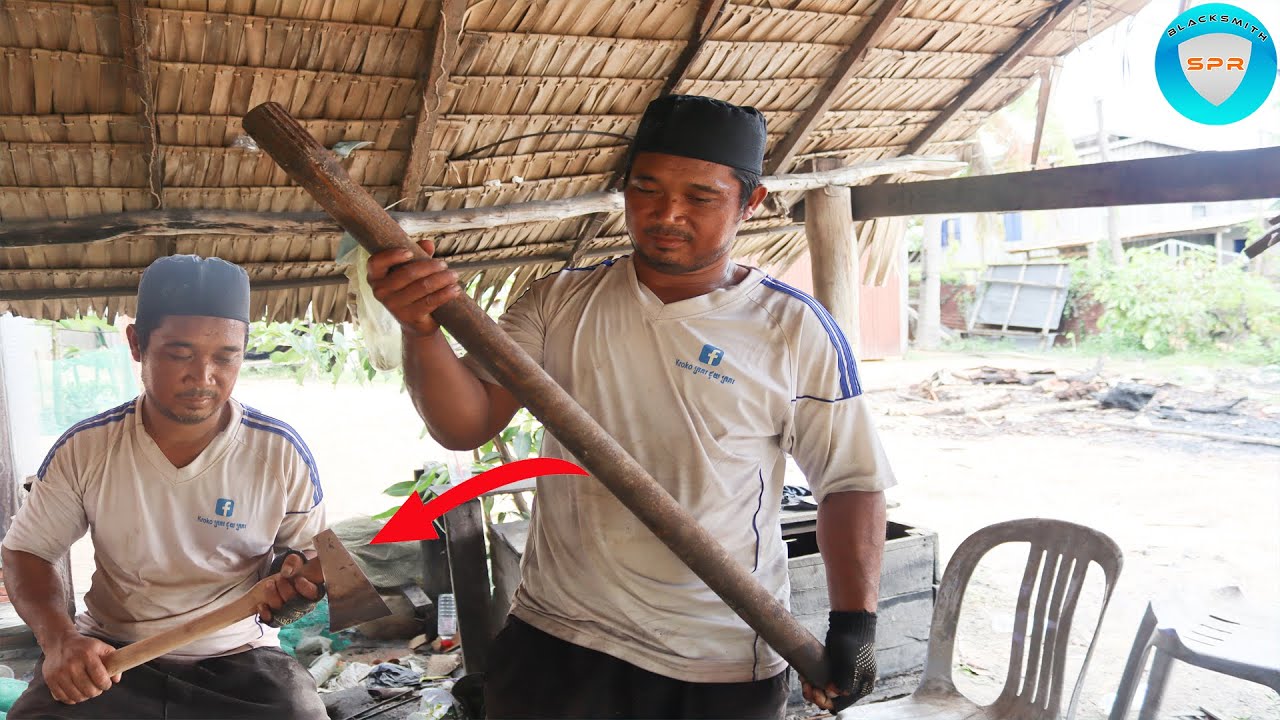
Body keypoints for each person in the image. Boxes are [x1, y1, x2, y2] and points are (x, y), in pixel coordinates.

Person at [368, 95, 896, 719]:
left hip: (715, 655)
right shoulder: (559, 302)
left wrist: (855, 625)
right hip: (558, 636)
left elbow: (852, 482)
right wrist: (422, 331)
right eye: (646, 189)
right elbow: (466, 425)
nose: (667, 212)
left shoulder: (793, 328)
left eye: (700, 197)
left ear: (749, 204)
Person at [2, 255, 328, 719]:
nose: (203, 376)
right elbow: (26, 552)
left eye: (225, 357)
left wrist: (296, 589)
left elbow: (312, 563)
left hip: (240, 658)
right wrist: (60, 640)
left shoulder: (280, 454)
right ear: (137, 344)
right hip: (113, 656)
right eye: (179, 354)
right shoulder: (87, 448)